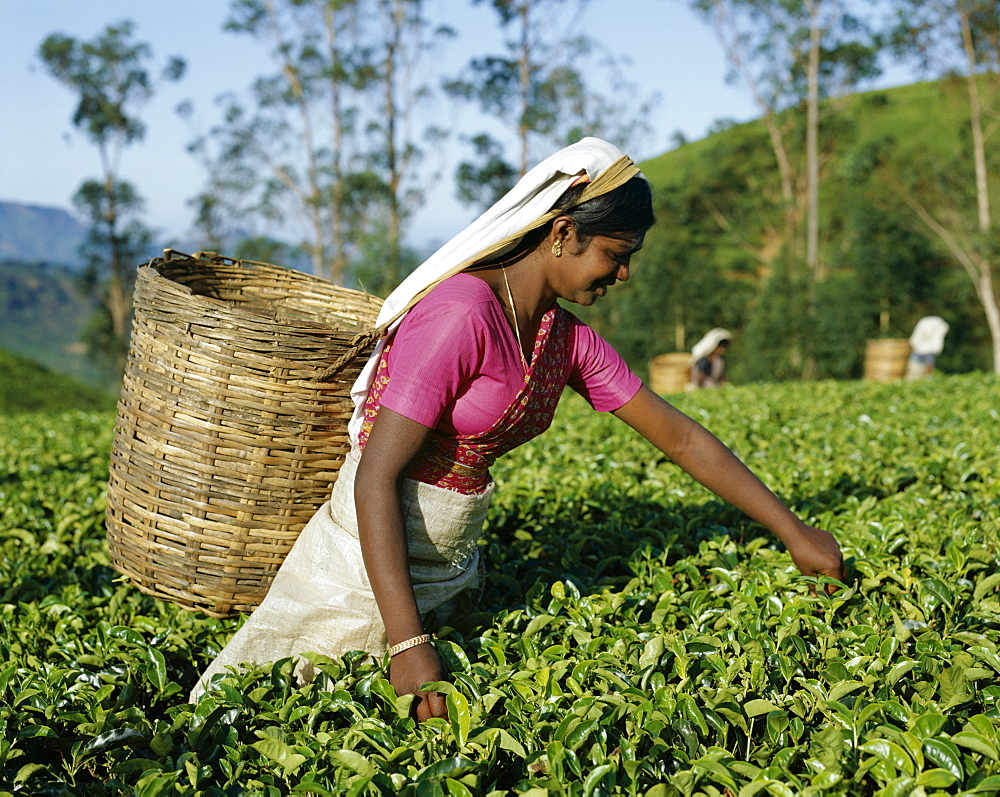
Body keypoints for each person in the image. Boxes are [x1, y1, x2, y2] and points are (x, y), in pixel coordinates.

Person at [190, 138, 845, 718]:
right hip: (368, 559)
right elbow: (377, 476)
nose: (624, 274)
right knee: (282, 702)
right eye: (616, 255)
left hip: (449, 561)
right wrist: (408, 640)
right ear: (562, 233)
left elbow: (681, 438)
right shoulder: (461, 313)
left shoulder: (564, 339)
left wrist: (793, 531)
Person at [906, 315, 949, 380]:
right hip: (919, 354)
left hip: (920, 353)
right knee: (915, 371)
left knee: (915, 373)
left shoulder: (928, 348)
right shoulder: (928, 348)